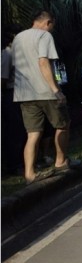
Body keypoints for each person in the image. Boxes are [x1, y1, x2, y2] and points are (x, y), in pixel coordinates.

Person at [11, 11, 73, 184]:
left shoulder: (18, 38)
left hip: (24, 93)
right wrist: (55, 90)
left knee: (33, 134)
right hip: (45, 91)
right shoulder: (44, 36)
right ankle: (60, 161)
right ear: (48, 22)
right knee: (63, 124)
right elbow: (43, 62)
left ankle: (29, 174)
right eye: (52, 25)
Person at [1, 25, 27, 176]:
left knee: (17, 130)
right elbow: (3, 81)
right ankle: (13, 164)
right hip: (10, 94)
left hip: (15, 93)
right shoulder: (7, 54)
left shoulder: (12, 54)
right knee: (14, 131)